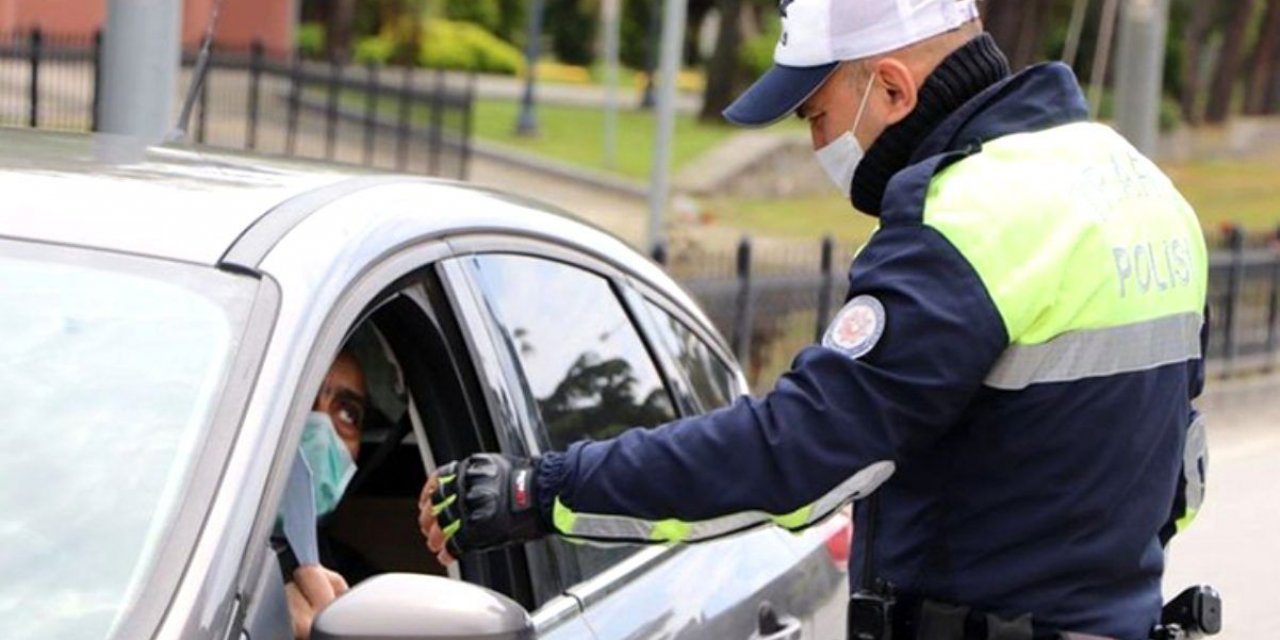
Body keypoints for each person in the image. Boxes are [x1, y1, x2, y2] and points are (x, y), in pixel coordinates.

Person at [418, 1, 1210, 638]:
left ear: (894, 89)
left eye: (815, 115)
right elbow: (1179, 473)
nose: (817, 144)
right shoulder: (1141, 191)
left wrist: (537, 489)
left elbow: (798, 455)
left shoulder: (966, 220)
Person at [282, 349, 368, 640]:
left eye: (347, 414)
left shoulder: (360, 591)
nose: (320, 430)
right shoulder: (182, 556)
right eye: (303, 400)